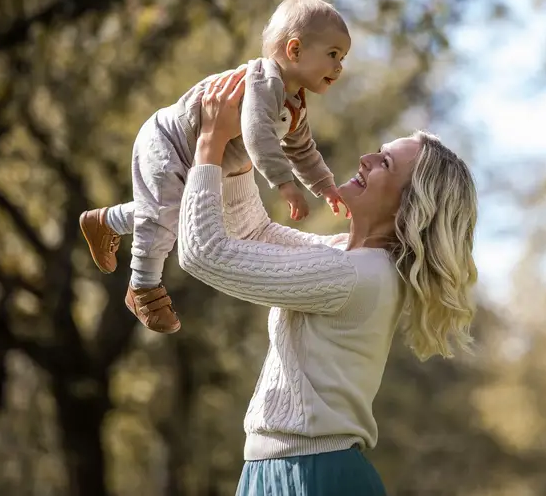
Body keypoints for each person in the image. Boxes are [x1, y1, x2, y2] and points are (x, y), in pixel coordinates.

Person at [178, 69, 479, 495]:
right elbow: (252, 234)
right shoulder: (347, 257)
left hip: (312, 476)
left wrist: (210, 144)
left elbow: (204, 252)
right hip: (285, 471)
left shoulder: (354, 276)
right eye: (377, 152)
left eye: (385, 164)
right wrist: (245, 145)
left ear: (408, 206)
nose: (366, 160)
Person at [78, 0, 351, 334]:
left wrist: (324, 186)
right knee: (164, 214)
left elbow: (303, 149)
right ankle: (143, 287)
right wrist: (285, 184)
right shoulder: (265, 82)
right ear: (294, 50)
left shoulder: (294, 103)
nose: (340, 66)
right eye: (333, 55)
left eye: (342, 57)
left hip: (196, 157)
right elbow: (256, 135)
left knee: (170, 212)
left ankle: (105, 221)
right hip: (170, 141)